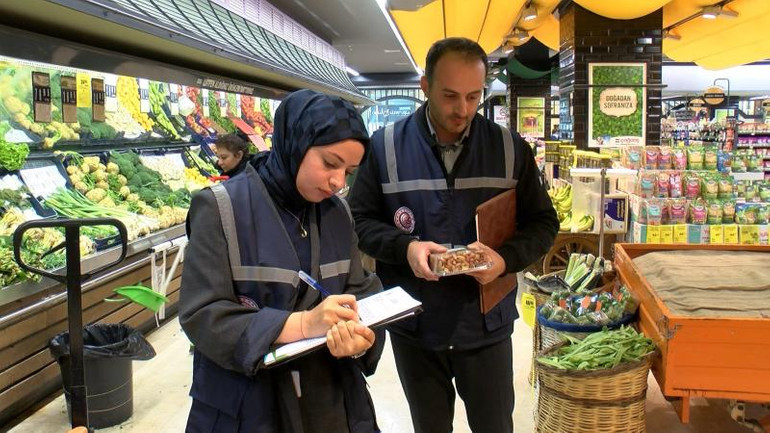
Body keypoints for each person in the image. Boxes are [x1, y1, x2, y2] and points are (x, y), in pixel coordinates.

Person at [348, 37, 558, 433]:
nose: (462, 109)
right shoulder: (385, 147)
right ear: (425, 86)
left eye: (473, 96)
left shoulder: (510, 149)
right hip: (415, 324)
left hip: (486, 324)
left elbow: (544, 223)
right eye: (449, 96)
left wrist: (505, 260)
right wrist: (406, 248)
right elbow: (360, 222)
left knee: (495, 425)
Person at [180, 89, 385, 433]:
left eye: (349, 171)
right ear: (296, 142)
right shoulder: (220, 207)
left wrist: (361, 335)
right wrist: (302, 325)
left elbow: (359, 288)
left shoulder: (338, 213)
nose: (338, 182)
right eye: (330, 163)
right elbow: (203, 315)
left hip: (329, 401)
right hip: (249, 405)